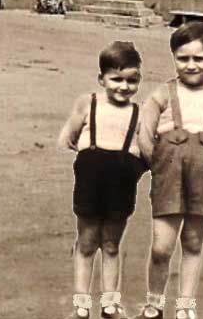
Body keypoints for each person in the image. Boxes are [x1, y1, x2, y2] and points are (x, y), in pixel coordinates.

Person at [136, 22, 203, 319]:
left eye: (199, 58)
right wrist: (158, 164)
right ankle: (154, 304)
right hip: (167, 177)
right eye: (183, 59)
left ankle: (185, 306)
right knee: (161, 246)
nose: (191, 65)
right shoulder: (162, 94)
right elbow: (145, 136)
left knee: (193, 243)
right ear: (174, 58)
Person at [57, 41, 146, 319]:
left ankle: (110, 303)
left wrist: (131, 166)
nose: (123, 86)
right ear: (101, 79)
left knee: (111, 245)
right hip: (91, 180)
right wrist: (91, 158)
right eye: (116, 79)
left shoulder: (139, 113)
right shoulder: (89, 103)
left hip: (121, 183)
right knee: (86, 242)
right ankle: (81, 304)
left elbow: (147, 153)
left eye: (131, 80)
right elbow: (67, 139)